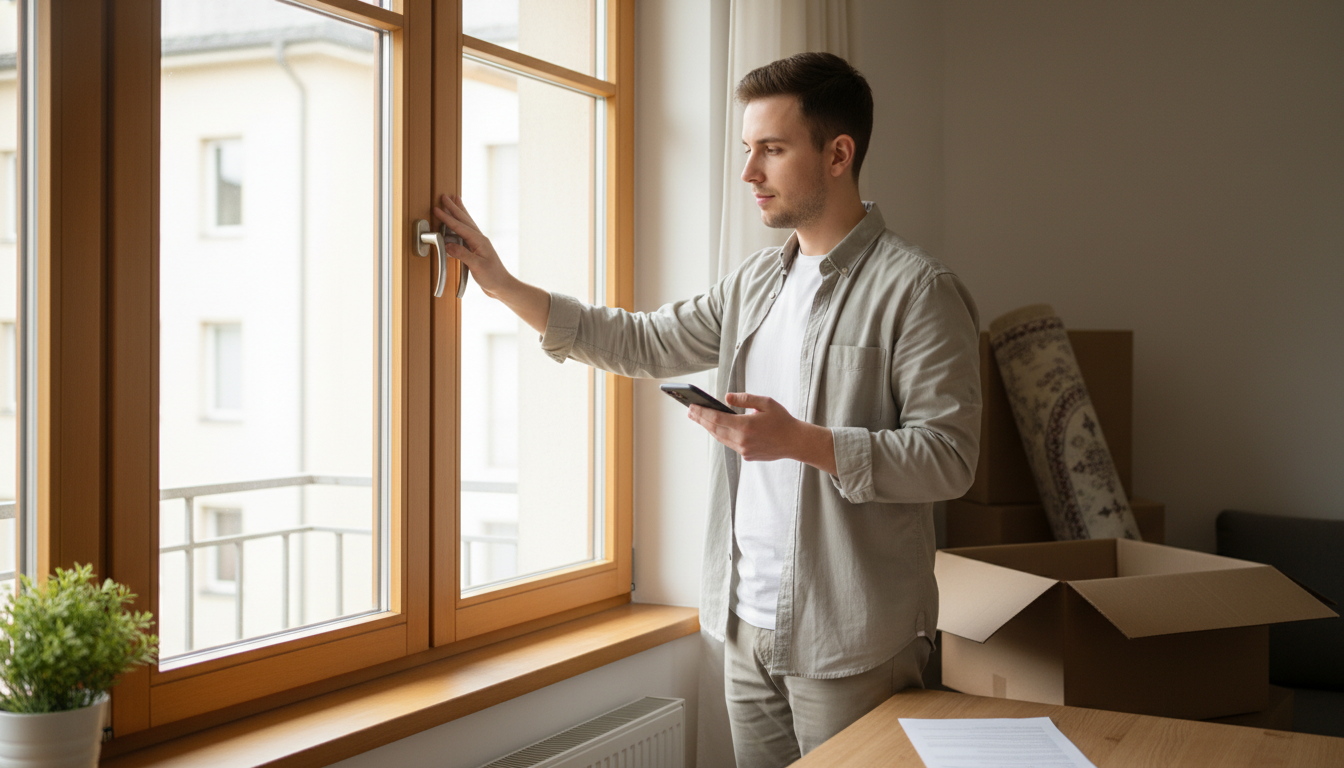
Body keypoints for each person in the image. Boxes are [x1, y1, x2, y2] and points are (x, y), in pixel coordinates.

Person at [434, 52, 981, 768]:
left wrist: (803, 441)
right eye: (747, 149)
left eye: (773, 150)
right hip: (744, 626)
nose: (749, 171)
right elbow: (641, 339)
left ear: (839, 153)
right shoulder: (756, 281)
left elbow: (950, 458)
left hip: (854, 641)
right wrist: (502, 283)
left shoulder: (918, 289)